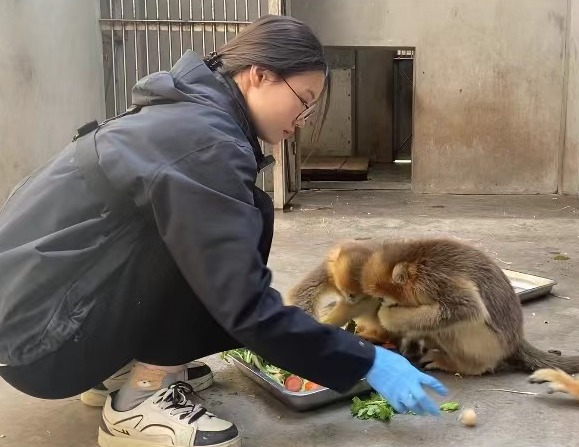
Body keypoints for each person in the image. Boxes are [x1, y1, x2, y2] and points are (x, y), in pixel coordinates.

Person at [0, 15, 446, 447]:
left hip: (42, 317)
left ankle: (124, 366)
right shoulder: (204, 144)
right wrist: (366, 361)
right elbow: (241, 302)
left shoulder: (190, 114)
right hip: (44, 342)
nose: (305, 118)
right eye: (304, 98)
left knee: (238, 215)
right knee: (210, 241)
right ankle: (141, 398)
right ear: (259, 75)